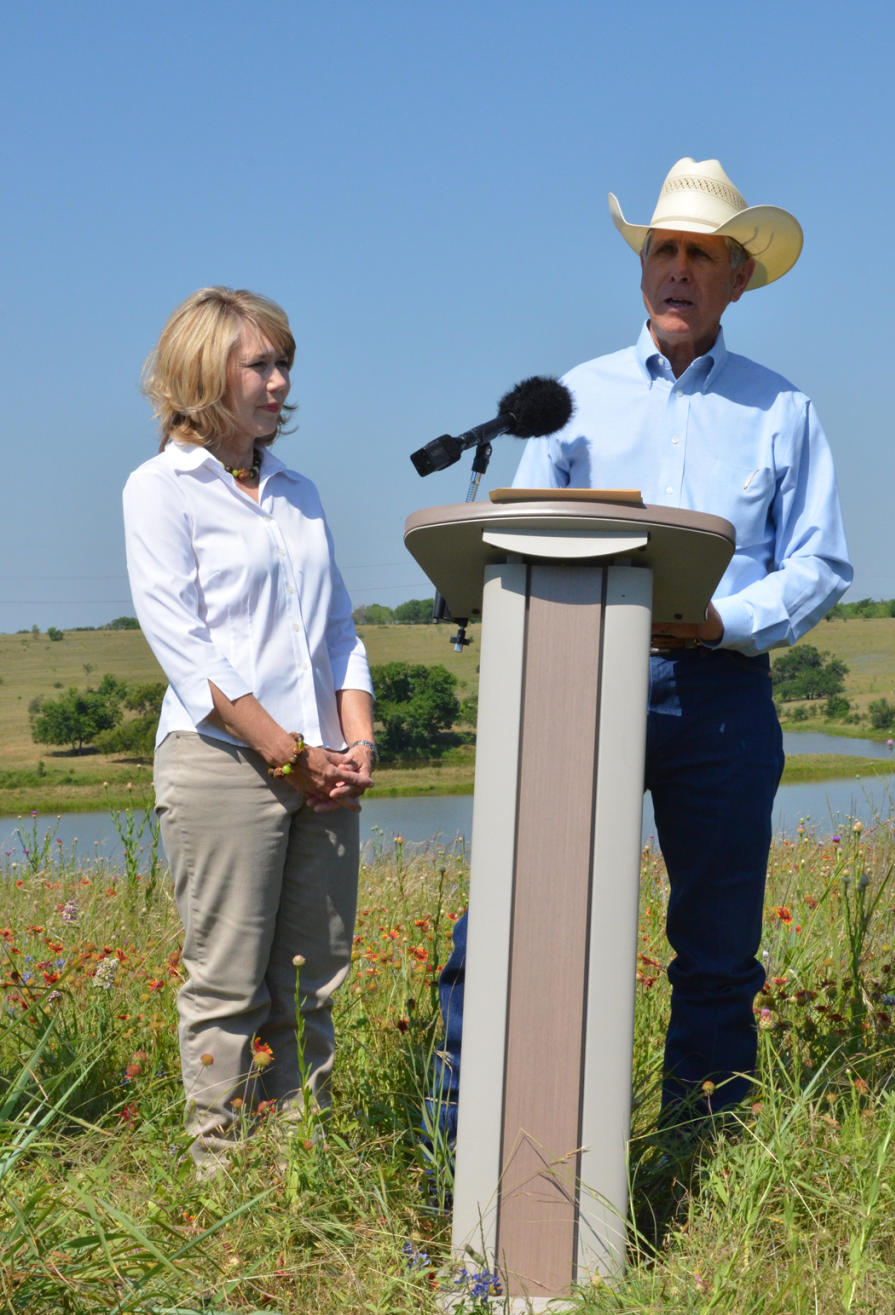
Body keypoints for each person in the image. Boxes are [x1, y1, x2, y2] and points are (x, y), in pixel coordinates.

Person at [428, 158, 852, 1145]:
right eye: (664, 248)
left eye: (701, 255)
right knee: (509, 923)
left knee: (716, 952)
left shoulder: (782, 408)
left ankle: (696, 1161)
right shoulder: (573, 397)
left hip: (722, 700)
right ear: (641, 266)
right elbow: (523, 534)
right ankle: (473, 1151)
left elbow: (820, 563)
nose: (678, 270)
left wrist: (724, 622)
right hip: (580, 683)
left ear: (738, 278)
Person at [123, 287, 376, 1168]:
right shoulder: (161, 489)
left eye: (283, 365)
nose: (279, 383)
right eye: (260, 365)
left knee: (309, 989)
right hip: (226, 765)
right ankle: (219, 1187)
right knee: (227, 987)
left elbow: (339, 629)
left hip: (324, 770)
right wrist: (288, 752)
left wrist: (356, 744)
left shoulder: (299, 492)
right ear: (204, 373)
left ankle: (298, 1174)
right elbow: (189, 651)